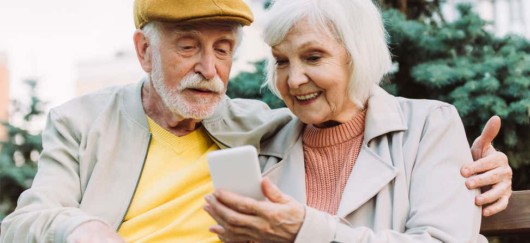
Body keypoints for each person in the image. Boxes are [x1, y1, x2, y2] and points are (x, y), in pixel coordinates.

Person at [0, 0, 511, 242]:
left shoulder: (262, 126)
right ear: (142, 51)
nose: (208, 69)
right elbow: (22, 222)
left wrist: (487, 170)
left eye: (223, 49)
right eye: (187, 47)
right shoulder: (84, 121)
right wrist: (83, 228)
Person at [203, 0, 510, 242]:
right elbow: (188, 101)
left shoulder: (429, 126)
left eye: (313, 57)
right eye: (282, 61)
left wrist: (305, 231)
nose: (294, 79)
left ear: (359, 55)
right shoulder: (264, 141)